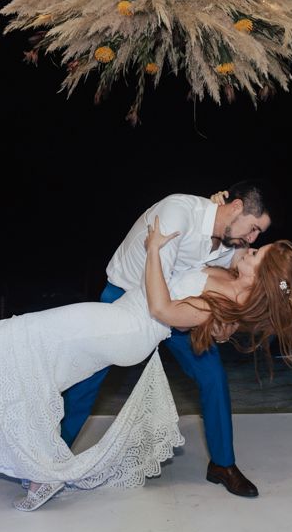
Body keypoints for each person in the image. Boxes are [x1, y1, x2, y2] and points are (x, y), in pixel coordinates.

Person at [0, 219, 292, 512]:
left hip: (122, 329)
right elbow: (207, 261)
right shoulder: (232, 282)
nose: (247, 250)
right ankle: (44, 474)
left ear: (261, 277)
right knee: (29, 352)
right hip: (116, 325)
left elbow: (161, 307)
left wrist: (154, 250)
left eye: (256, 254)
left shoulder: (221, 302)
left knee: (19, 339)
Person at [61, 181, 274, 499]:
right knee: (86, 382)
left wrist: (224, 320)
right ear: (237, 207)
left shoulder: (232, 238)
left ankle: (222, 464)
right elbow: (159, 293)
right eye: (254, 229)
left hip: (176, 311)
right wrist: (211, 314)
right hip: (128, 300)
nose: (253, 239)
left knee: (213, 376)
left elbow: (238, 277)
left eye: (258, 235)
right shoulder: (178, 214)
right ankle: (51, 461)